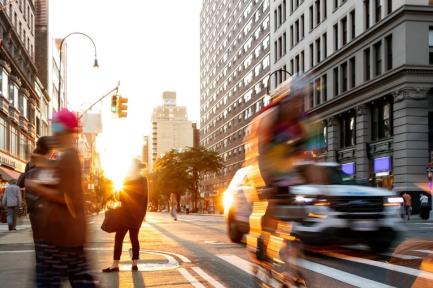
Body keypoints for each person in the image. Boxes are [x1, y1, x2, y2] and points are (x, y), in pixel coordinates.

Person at [26, 109, 98, 287]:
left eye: (56, 125)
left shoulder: (69, 156)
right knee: (81, 279)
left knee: (49, 282)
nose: (54, 130)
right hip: (68, 235)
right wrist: (44, 164)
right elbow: (61, 180)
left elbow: (65, 196)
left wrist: (36, 187)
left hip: (59, 237)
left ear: (65, 130)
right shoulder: (67, 156)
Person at [103, 159, 148, 273]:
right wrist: (142, 216)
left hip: (125, 215)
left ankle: (115, 264)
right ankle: (134, 264)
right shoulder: (143, 179)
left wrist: (115, 195)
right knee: (134, 239)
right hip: (136, 216)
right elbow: (145, 199)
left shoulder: (127, 179)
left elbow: (120, 197)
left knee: (119, 239)